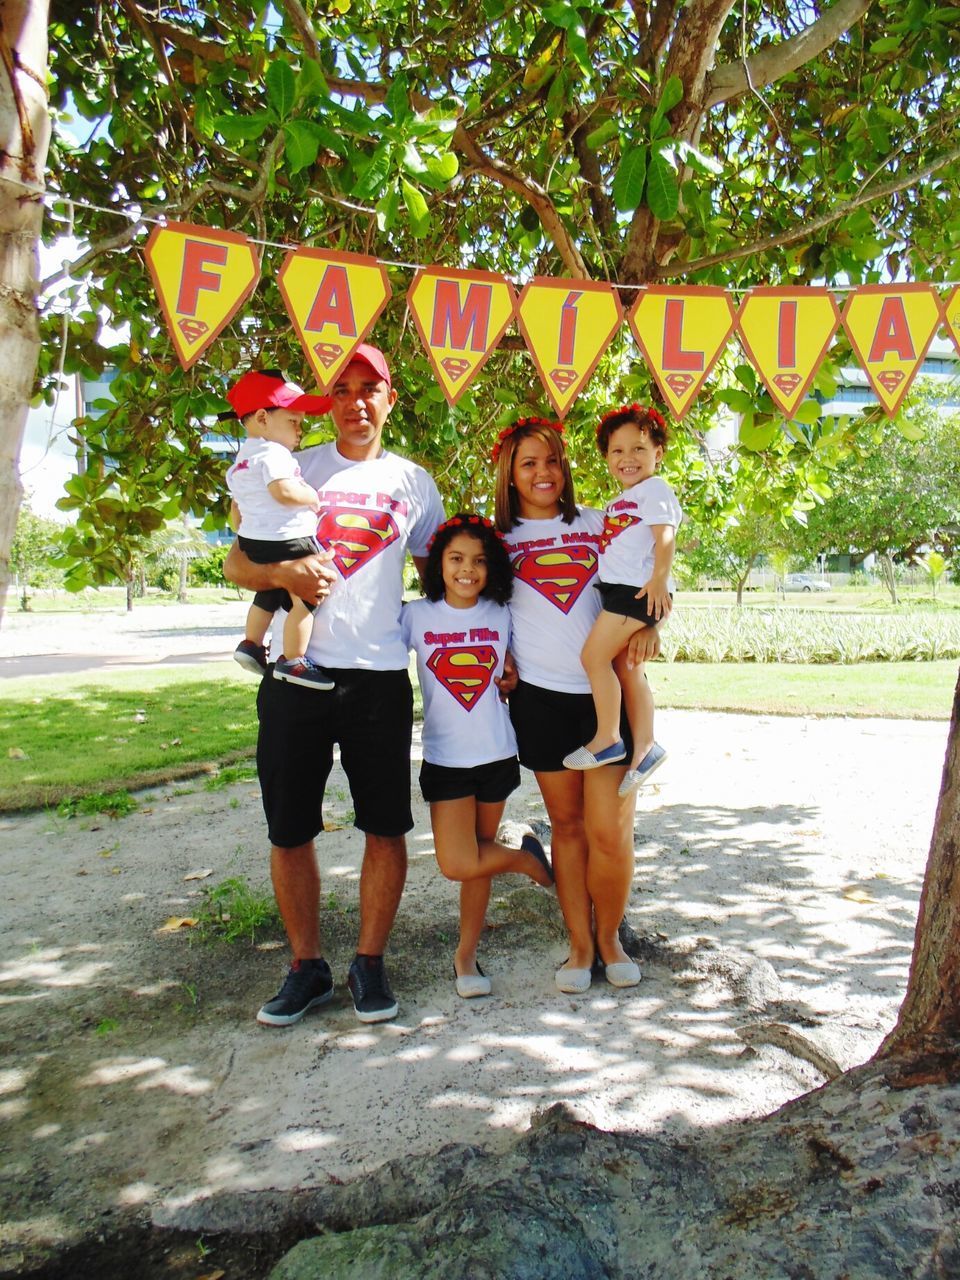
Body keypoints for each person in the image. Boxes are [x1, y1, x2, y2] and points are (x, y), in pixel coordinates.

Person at [223, 344, 446, 1027]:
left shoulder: (415, 483)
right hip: (297, 677)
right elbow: (238, 563)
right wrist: (286, 578)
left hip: (378, 677)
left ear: (389, 400)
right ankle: (306, 967)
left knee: (385, 826)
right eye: (342, 389)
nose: (355, 401)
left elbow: (443, 575)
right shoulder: (289, 462)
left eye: (368, 389)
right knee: (290, 830)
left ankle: (369, 964)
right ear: (329, 400)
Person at [492, 415, 660, 994]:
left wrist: (652, 625)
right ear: (510, 474)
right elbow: (475, 610)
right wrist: (501, 665)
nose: (543, 473)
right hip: (539, 700)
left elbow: (650, 571)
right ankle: (579, 944)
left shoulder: (602, 522)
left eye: (552, 461)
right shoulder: (500, 542)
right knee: (566, 828)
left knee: (610, 832)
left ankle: (610, 937)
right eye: (529, 463)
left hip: (603, 703)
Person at [400, 513, 554, 998]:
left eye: (479, 561)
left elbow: (520, 666)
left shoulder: (501, 613)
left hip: (495, 753)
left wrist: (510, 676)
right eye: (456, 559)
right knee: (458, 862)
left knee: (477, 861)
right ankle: (526, 860)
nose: (467, 570)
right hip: (445, 759)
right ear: (438, 564)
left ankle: (466, 957)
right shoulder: (415, 616)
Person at [562, 404, 681, 796]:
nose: (627, 459)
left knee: (592, 658)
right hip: (622, 591)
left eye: (639, 449)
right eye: (617, 451)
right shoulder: (619, 501)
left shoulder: (656, 490)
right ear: (606, 457)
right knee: (627, 668)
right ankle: (645, 748)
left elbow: (665, 537)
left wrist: (659, 584)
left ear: (658, 453)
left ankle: (609, 738)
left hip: (638, 591)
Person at [223, 369, 335, 691]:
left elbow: (236, 512)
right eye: (293, 421)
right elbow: (283, 492)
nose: (300, 430)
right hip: (289, 539)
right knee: (308, 594)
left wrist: (248, 533)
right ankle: (293, 659)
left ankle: (251, 644)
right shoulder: (275, 454)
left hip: (255, 542)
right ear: (262, 418)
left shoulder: (241, 461)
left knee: (269, 592)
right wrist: (313, 498)